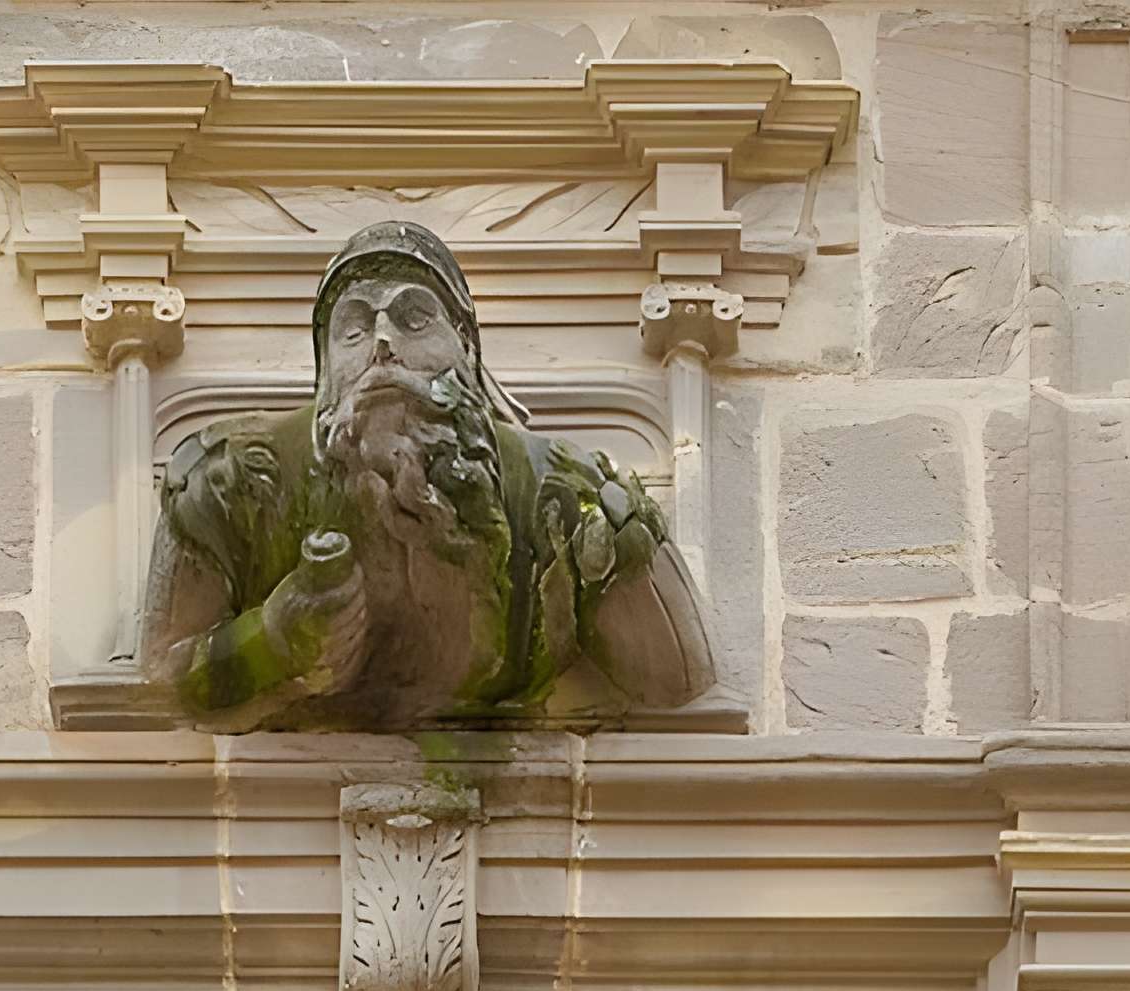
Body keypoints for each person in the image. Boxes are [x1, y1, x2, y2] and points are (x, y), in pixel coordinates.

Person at [142, 219, 714, 731]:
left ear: (465, 349)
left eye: (415, 319)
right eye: (354, 329)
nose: (384, 343)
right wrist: (270, 637)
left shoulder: (564, 500)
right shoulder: (234, 481)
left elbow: (677, 683)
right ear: (326, 375)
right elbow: (161, 682)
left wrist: (626, 536)